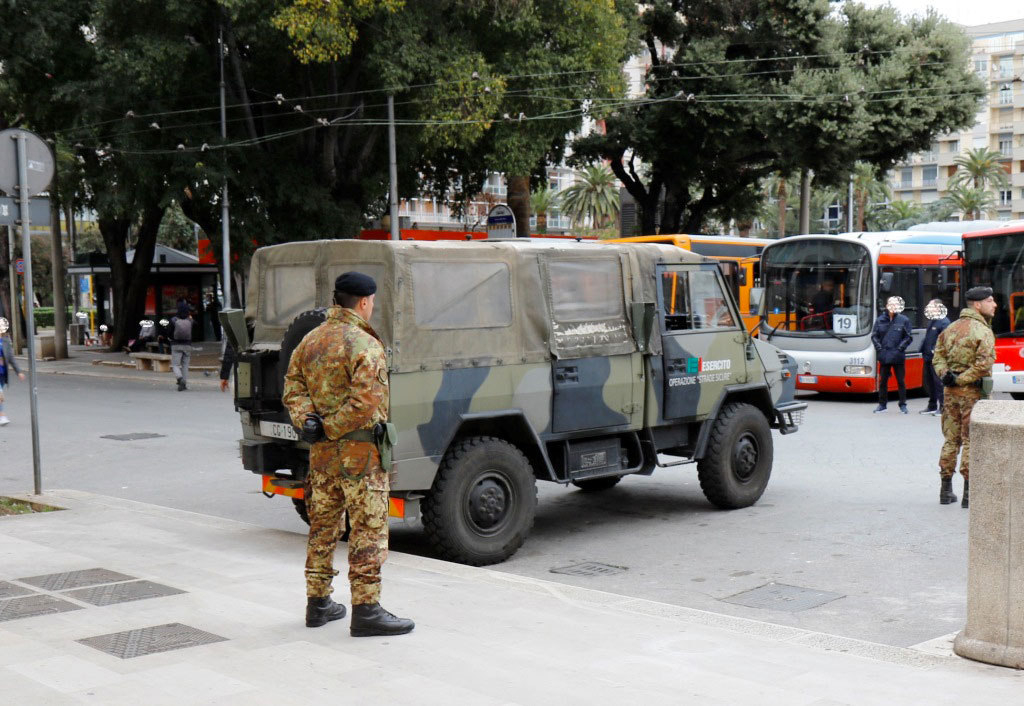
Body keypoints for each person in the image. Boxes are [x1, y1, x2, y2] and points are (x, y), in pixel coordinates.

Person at [282, 271, 414, 637]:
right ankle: (366, 609)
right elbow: (366, 401)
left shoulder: (310, 340)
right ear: (364, 302)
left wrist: (309, 421)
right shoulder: (364, 344)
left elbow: (292, 386)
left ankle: (318, 603)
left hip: (322, 456)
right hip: (361, 456)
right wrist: (333, 425)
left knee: (323, 528)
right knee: (368, 531)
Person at [932, 286, 997, 508]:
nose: (994, 305)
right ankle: (969, 494)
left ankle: (945, 490)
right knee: (971, 440)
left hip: (950, 394)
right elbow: (984, 363)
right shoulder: (983, 331)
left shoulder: (949, 329)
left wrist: (946, 376)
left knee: (951, 440)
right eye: (990, 301)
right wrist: (963, 379)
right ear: (977, 305)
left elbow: (937, 357)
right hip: (972, 394)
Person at [871, 296, 913, 414]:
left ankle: (903, 405)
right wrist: (879, 348)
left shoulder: (904, 320)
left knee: (901, 381)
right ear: (887, 306)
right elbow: (874, 336)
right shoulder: (880, 320)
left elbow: (908, 337)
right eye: (891, 304)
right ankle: (882, 405)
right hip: (884, 355)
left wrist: (900, 348)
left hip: (898, 356)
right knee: (883, 382)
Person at [919, 299, 950, 416]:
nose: (928, 309)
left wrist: (936, 351)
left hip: (937, 358)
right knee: (930, 383)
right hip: (928, 356)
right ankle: (932, 405)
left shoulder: (944, 322)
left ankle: (943, 407)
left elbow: (945, 341)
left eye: (930, 306)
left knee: (939, 383)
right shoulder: (932, 321)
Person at [0, 317, 26, 426]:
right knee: (0, 395)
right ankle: (2, 416)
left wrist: (18, 371)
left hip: (2, 373)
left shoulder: (5, 341)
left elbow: (11, 358)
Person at [169, 304, 194, 391]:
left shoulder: (173, 320)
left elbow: (170, 332)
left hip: (176, 345)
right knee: (185, 365)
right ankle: (184, 383)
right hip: (187, 345)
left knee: (175, 365)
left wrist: (171, 339)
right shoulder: (190, 320)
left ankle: (179, 378)